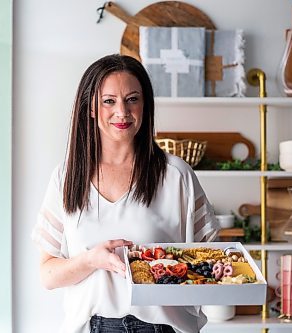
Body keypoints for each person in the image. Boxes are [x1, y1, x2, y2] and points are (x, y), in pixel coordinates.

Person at [32, 54, 220, 333]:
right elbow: (48, 275)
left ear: (145, 105)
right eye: (109, 101)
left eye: (132, 99)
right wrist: (90, 260)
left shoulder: (176, 175)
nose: (122, 111)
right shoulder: (67, 177)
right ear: (92, 108)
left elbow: (213, 264)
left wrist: (167, 267)